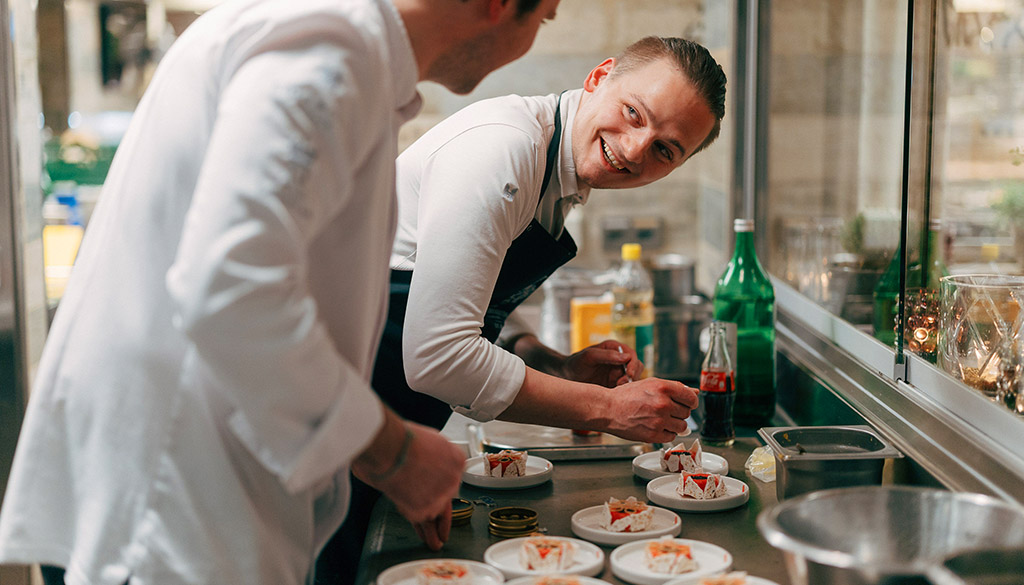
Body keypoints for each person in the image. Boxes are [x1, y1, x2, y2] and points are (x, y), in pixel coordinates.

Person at [0, 0, 560, 584]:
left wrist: (348, 438)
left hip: (187, 474)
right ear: (498, 5)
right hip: (170, 497)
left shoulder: (338, 47)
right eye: (542, 18)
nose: (531, 41)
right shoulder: (330, 51)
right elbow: (233, 289)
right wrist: (389, 449)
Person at [316, 35, 726, 583]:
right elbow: (437, 355)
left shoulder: (559, 172)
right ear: (600, 76)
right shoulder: (505, 150)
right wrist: (608, 410)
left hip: (380, 432)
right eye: (633, 114)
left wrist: (551, 363)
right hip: (334, 435)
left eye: (665, 150)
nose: (633, 150)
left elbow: (472, 307)